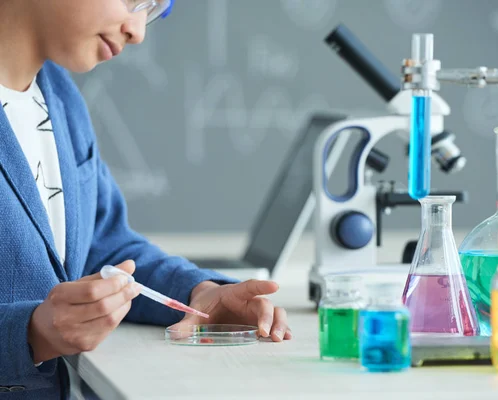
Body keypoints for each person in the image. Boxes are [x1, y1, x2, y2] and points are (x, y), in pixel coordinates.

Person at [0, 1, 291, 398]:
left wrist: (198, 293)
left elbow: (105, 248)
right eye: (135, 1)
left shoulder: (60, 97)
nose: (137, 31)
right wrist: (30, 334)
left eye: (155, 11)